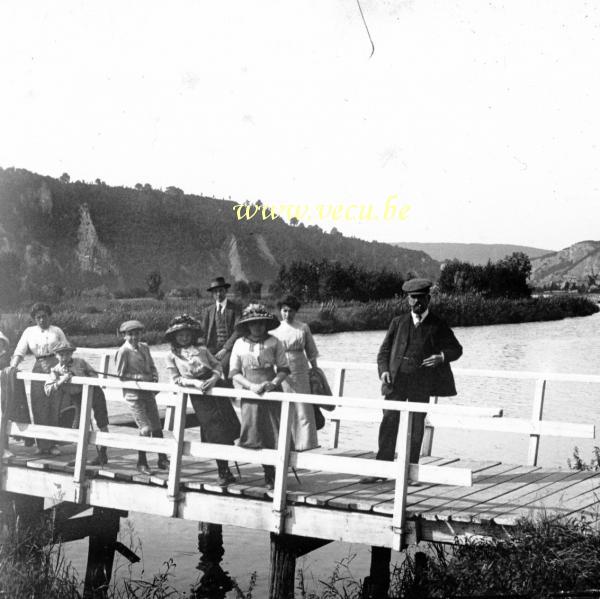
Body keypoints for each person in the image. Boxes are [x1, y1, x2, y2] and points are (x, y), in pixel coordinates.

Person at [360, 278, 463, 484]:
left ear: (428, 299)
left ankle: (411, 472)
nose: (415, 303)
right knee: (389, 421)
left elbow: (457, 349)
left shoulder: (437, 324)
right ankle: (382, 470)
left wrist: (441, 357)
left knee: (416, 427)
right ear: (407, 300)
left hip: (421, 384)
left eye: (419, 298)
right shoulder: (398, 322)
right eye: (411, 298)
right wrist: (383, 372)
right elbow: (384, 352)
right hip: (396, 383)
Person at [164, 314, 240, 486]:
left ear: (192, 335)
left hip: (215, 388)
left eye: (187, 334)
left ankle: (226, 469)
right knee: (214, 431)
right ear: (174, 337)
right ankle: (223, 470)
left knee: (227, 429)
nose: (184, 338)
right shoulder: (171, 355)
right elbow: (176, 378)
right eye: (180, 335)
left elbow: (217, 366)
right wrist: (195, 383)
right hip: (199, 394)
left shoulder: (202, 350)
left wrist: (213, 379)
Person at [229, 304, 290, 489]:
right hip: (251, 392)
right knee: (256, 433)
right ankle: (266, 471)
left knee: (274, 433)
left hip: (271, 391)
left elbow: (284, 369)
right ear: (248, 326)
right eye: (254, 324)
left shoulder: (274, 342)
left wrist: (274, 383)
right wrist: (251, 386)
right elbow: (234, 372)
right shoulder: (239, 344)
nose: (258, 327)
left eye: (261, 323)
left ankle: (275, 474)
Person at [11, 302, 68, 455]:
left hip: (56, 366)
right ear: (34, 319)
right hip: (38, 367)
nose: (42, 320)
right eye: (38, 317)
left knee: (55, 405)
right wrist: (13, 366)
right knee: (39, 405)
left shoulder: (57, 330)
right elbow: (19, 351)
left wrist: (69, 367)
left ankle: (54, 444)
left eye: (44, 316)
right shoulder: (29, 332)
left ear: (49, 316)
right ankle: (42, 445)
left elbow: (67, 349)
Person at [114, 320, 169, 474]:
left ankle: (162, 459)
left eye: (137, 334)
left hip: (148, 392)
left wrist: (154, 378)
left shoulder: (145, 347)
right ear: (124, 335)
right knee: (145, 428)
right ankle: (142, 462)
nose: (134, 337)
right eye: (130, 334)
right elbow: (121, 376)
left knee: (157, 427)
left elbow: (152, 367)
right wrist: (138, 377)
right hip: (134, 395)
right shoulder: (123, 351)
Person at [44, 341, 111, 465]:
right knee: (78, 426)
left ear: (71, 354)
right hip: (77, 397)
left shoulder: (80, 362)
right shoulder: (56, 370)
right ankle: (80, 456)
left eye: (67, 354)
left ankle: (103, 454)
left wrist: (83, 378)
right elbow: (48, 389)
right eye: (61, 354)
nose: (65, 357)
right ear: (56, 356)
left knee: (102, 422)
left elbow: (94, 375)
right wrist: (62, 380)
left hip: (94, 393)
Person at [271, 294, 319, 451]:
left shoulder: (303, 327)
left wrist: (315, 368)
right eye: (284, 311)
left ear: (295, 311)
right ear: (280, 311)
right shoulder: (275, 329)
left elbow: (311, 350)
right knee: (285, 404)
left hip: (299, 368)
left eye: (290, 311)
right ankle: (287, 442)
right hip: (281, 368)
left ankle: (306, 443)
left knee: (303, 405)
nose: (287, 314)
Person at [201, 277, 242, 379]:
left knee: (224, 369)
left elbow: (238, 330)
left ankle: (227, 393)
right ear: (212, 294)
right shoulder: (208, 310)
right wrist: (202, 349)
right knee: (203, 369)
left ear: (226, 291)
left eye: (221, 290)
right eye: (215, 292)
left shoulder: (235, 308)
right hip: (211, 348)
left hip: (229, 349)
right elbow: (203, 331)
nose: (218, 294)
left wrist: (225, 348)